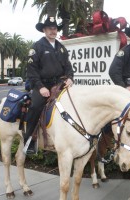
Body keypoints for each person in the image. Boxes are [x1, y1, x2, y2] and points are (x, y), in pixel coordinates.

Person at [24, 16, 74, 155]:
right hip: (42, 85)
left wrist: (70, 78)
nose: (53, 31)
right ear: (44, 30)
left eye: (55, 28)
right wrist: (40, 87)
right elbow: (31, 71)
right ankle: (30, 141)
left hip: (59, 84)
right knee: (35, 107)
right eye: (50, 28)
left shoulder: (61, 47)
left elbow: (68, 67)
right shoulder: (36, 47)